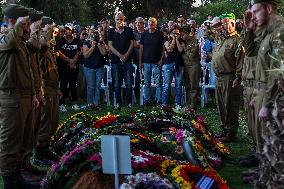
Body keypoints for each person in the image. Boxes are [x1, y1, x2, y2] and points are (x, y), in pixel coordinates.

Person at [241, 0, 284, 180]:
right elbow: (250, 52)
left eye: (256, 11)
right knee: (265, 139)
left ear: (268, 8)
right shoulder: (267, 32)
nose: (253, 16)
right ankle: (264, 172)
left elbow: (278, 72)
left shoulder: (280, 31)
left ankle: (272, 178)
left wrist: (266, 103)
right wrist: (248, 28)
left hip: (276, 98)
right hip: (263, 92)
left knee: (274, 141)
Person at [0, 4, 40, 188]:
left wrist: (32, 94)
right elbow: (10, 42)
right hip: (11, 98)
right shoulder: (4, 38)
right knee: (9, 143)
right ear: (14, 22)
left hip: (24, 97)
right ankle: (9, 180)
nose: (28, 25)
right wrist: (18, 25)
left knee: (24, 140)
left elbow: (29, 72)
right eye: (26, 22)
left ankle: (17, 176)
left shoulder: (22, 43)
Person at [212, 13, 244, 142]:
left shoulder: (236, 40)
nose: (224, 26)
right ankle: (224, 128)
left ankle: (231, 131)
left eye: (226, 23)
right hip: (219, 77)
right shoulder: (220, 39)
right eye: (222, 23)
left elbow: (241, 60)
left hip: (229, 77)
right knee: (221, 105)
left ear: (233, 23)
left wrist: (238, 77)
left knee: (230, 105)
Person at [108, 12, 134, 109]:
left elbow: (132, 43)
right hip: (115, 61)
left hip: (127, 60)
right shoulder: (111, 31)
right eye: (117, 19)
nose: (119, 21)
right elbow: (110, 45)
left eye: (121, 19)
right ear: (115, 20)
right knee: (116, 84)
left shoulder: (129, 30)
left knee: (128, 83)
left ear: (124, 19)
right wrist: (119, 55)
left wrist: (126, 55)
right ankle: (118, 103)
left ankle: (129, 103)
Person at [57, 23, 82, 111]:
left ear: (72, 31)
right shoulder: (60, 40)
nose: (67, 31)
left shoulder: (77, 41)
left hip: (74, 66)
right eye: (66, 29)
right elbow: (59, 52)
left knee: (73, 85)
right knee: (63, 85)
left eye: (69, 29)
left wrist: (73, 61)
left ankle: (74, 103)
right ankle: (61, 104)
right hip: (63, 66)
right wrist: (68, 60)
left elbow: (79, 52)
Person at [139, 17, 164, 106]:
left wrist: (161, 59)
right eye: (149, 22)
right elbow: (141, 49)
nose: (151, 23)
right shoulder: (144, 34)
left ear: (155, 24)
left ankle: (159, 100)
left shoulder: (160, 34)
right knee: (146, 83)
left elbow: (163, 48)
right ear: (147, 23)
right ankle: (147, 100)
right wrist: (140, 62)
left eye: (153, 22)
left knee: (158, 83)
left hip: (156, 62)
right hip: (146, 62)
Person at [83, 27, 107, 108]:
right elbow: (86, 55)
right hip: (89, 67)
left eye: (95, 33)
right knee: (91, 86)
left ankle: (97, 103)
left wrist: (99, 44)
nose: (94, 35)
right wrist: (92, 47)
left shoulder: (100, 43)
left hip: (99, 67)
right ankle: (90, 103)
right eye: (92, 33)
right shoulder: (86, 43)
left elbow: (104, 53)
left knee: (98, 86)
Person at [162, 27, 185, 108]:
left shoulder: (181, 41)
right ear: (170, 33)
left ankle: (178, 103)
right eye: (174, 33)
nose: (175, 35)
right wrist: (173, 40)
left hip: (179, 64)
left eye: (177, 33)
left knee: (178, 85)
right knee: (166, 85)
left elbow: (180, 50)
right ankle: (164, 103)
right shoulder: (166, 40)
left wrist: (177, 40)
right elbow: (169, 49)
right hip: (168, 64)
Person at [182, 24, 201, 109]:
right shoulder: (183, 42)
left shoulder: (194, 41)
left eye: (183, 34)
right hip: (186, 65)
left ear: (187, 33)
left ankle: (193, 104)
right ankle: (188, 102)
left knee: (193, 84)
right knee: (187, 84)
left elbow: (192, 55)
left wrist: (184, 48)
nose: (182, 36)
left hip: (193, 65)